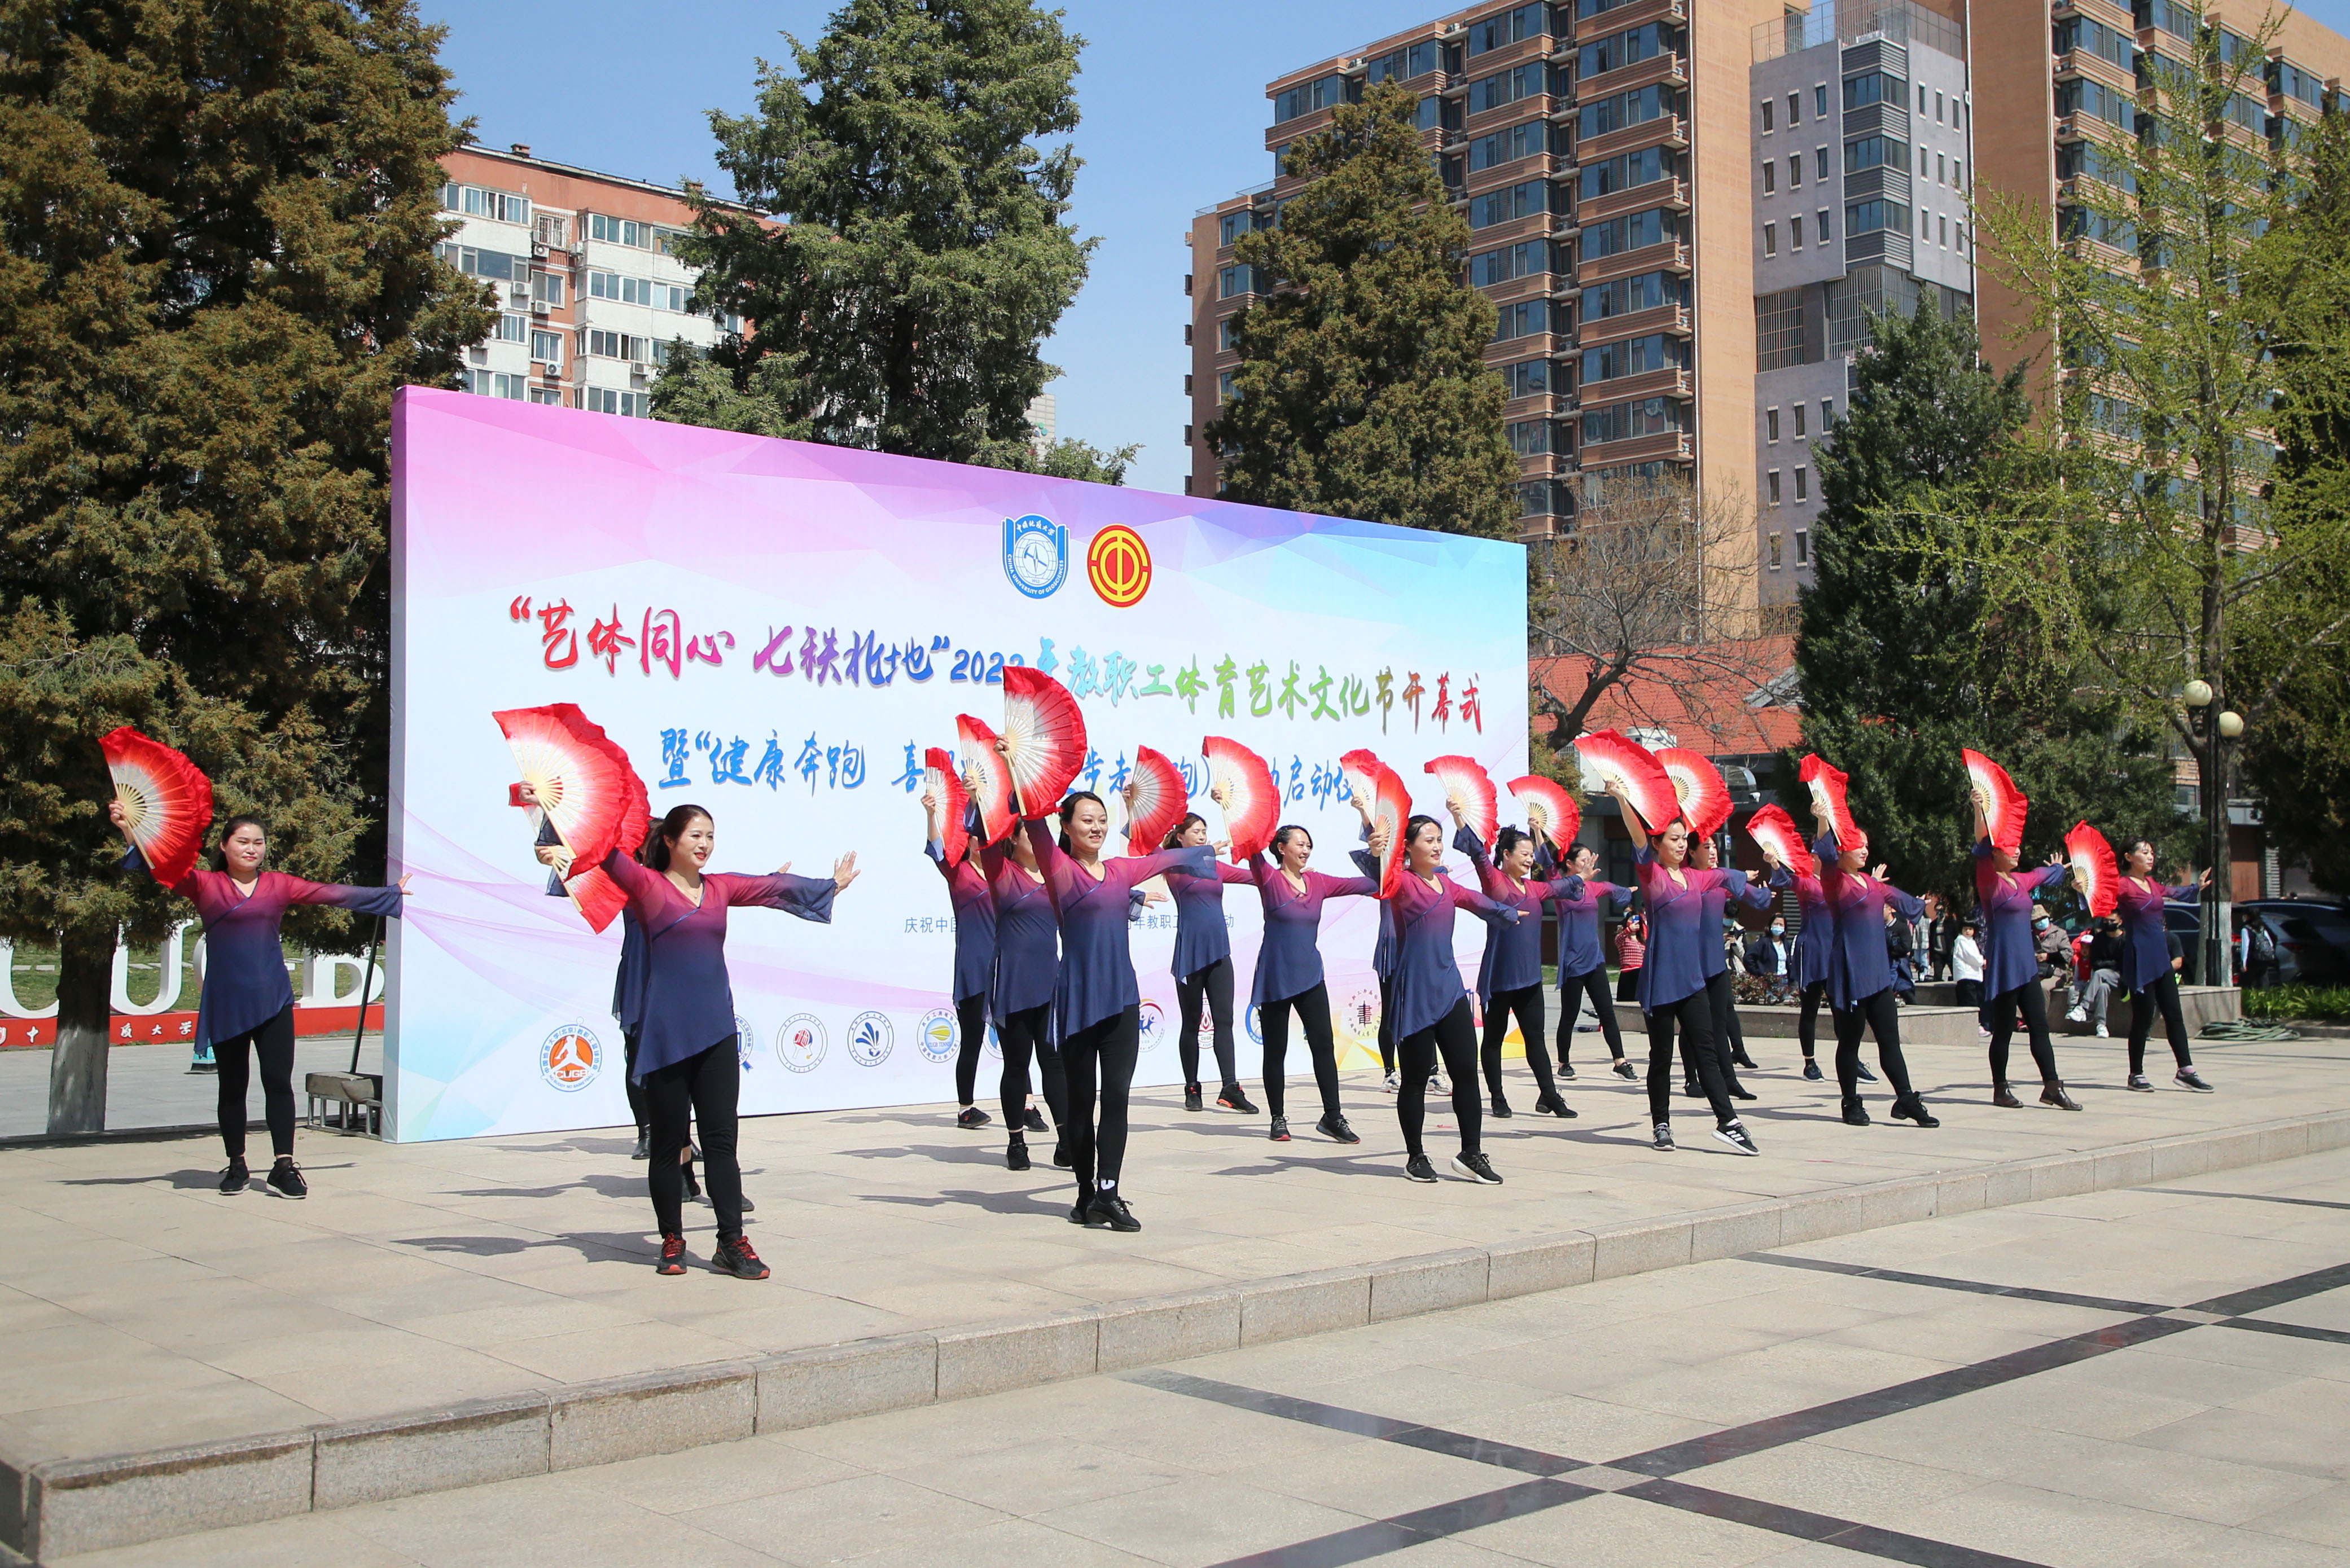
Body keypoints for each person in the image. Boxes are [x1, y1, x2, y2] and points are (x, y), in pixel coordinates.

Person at [600, 805, 854, 1277]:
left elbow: (771, 887)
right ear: (670, 841)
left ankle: (731, 1241)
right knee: (668, 1144)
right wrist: (549, 808)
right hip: (667, 1036)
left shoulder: (719, 888)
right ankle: (672, 1239)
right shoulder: (647, 886)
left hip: (716, 1032)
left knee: (721, 1142)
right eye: (695, 835)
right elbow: (599, 850)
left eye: (710, 836)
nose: (704, 844)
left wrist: (829, 886)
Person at [114, 805, 409, 1198]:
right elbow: (159, 867)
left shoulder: (278, 885)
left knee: (278, 1082)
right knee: (232, 1086)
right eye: (243, 841)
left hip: (273, 1000)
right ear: (224, 846)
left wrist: (389, 894)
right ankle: (236, 1165)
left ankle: (284, 1166)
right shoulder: (204, 884)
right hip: (227, 1001)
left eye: (258, 842)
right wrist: (129, 830)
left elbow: (331, 893)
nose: (252, 848)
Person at [1024, 787, 1215, 1232]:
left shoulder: (1121, 870)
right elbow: (1033, 822)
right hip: (1077, 1002)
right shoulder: (1059, 868)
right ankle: (1085, 1193)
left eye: (1101, 819)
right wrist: (1017, 775)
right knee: (1080, 1103)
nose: (1096, 827)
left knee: (1116, 1098)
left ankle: (1108, 1193)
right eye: (1086, 819)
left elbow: (1169, 859)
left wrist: (1205, 847)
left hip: (1122, 1001)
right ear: (1066, 826)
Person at [1614, 786, 1762, 1156]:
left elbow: (1723, 875)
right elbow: (1637, 839)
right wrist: (1622, 800)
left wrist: (1746, 876)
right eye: (1674, 839)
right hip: (1661, 981)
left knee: (1707, 1051)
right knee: (1661, 1056)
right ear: (1658, 843)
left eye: (1684, 839)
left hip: (1693, 981)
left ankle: (1728, 1122)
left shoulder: (1697, 879)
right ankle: (1661, 1124)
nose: (1681, 845)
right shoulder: (1653, 877)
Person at [1380, 815, 1521, 1183]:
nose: (1437, 846)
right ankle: (1415, 1156)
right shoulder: (1402, 882)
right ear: (1408, 847)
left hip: (1450, 991)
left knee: (1466, 1073)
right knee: (1414, 1080)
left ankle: (1471, 1153)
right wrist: (1377, 842)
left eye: (1439, 839)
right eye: (1428, 840)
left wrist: (1508, 912)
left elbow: (1478, 901)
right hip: (1415, 994)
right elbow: (1377, 870)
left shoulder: (1446, 884)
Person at [1246, 810, 1384, 1143]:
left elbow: (1369, 884)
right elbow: (1251, 848)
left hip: (1310, 976)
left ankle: (1333, 1116)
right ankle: (1278, 1118)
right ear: (1282, 848)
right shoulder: (1269, 879)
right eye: (1299, 844)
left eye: (1309, 845)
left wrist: (1376, 854)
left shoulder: (1318, 882)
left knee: (1323, 1045)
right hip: (1276, 977)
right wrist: (1234, 811)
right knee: (1275, 1050)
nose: (1306, 850)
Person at [1451, 811, 1574, 1120]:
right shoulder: (1496, 882)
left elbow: (1559, 887)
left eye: (1532, 855)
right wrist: (1458, 818)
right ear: (1506, 855)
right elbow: (1479, 854)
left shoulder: (1533, 888)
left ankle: (1549, 1095)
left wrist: (1580, 877)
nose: (1530, 860)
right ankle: (1497, 1097)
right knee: (1494, 1040)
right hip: (1500, 978)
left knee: (1536, 1039)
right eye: (1525, 854)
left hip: (1530, 979)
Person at [1808, 833, 1938, 1127]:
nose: (1866, 850)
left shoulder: (1873, 883)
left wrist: (1921, 903)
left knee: (1890, 1041)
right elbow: (1825, 853)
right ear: (1842, 850)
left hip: (1879, 975)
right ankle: (1851, 1103)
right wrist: (1823, 819)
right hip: (1850, 975)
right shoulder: (1835, 880)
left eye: (1867, 844)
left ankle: (1906, 1099)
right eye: (1859, 845)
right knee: (1850, 1043)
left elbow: (1907, 904)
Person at [1153, 800, 1258, 1115]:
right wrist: (1132, 808)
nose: (1202, 836)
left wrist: (1289, 875)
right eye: (1196, 832)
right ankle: (1192, 1087)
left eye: (1204, 832)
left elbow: (1256, 878)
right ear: (1180, 837)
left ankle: (1230, 1087)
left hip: (1219, 953)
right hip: (1190, 955)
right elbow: (1143, 844)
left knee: (1224, 1021)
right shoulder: (1173, 866)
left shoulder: (1215, 867)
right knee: (1191, 1023)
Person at [1974, 803, 2079, 1110]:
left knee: (2040, 1027)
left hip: (2027, 966)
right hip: (2005, 966)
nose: (2017, 851)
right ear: (1996, 853)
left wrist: (2058, 869)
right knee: (2003, 1032)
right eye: (2010, 847)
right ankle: (2000, 1089)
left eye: (2018, 847)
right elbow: (1981, 844)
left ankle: (2052, 1086)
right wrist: (1978, 810)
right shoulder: (1989, 881)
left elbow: (2043, 874)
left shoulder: (2020, 881)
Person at [980, 815, 1068, 1170]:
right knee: (1017, 1064)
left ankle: (1066, 1140)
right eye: (1028, 832)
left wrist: (1133, 896)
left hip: (1050, 982)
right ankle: (1016, 1142)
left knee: (1055, 1064)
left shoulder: (1056, 875)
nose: (1036, 837)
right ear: (1014, 839)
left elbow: (1093, 889)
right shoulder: (1002, 872)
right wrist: (980, 801)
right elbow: (985, 838)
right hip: (1014, 983)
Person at [2108, 838, 2213, 1092]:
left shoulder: (2152, 884)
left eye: (2152, 853)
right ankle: (2136, 1074)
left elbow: (2174, 892)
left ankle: (2186, 1070)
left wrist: (2196, 887)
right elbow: (2099, 899)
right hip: (2139, 958)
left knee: (2174, 1015)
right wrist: (2082, 890)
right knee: (2143, 1019)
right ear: (2129, 857)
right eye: (2145, 852)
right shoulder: (2122, 884)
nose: (2151, 857)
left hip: (2161, 958)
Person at [920, 790, 996, 1130]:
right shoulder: (958, 871)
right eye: (975, 836)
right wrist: (931, 815)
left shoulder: (1005, 873)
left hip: (1005, 966)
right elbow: (936, 849)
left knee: (1017, 1040)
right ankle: (966, 1108)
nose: (981, 842)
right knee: (973, 1039)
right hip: (973, 968)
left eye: (986, 836)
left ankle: (1026, 1104)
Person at [1541, 842, 1636, 1080]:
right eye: (1583, 860)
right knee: (1569, 1015)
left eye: (1589, 859)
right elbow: (1549, 867)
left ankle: (1620, 1062)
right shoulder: (1561, 889)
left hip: (1595, 960)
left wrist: (1626, 891)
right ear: (1569, 864)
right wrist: (1540, 834)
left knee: (1607, 1013)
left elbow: (1609, 888)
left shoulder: (1591, 888)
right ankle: (1563, 1064)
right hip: (1573, 963)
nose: (1588, 863)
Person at [1684, 834, 1769, 1097]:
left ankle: (1729, 1080)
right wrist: (1740, 875)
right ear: (1691, 851)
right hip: (1689, 963)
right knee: (1691, 1024)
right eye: (1706, 847)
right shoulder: (1684, 878)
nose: (1713, 851)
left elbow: (1760, 899)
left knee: (1719, 1022)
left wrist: (1773, 874)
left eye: (1714, 847)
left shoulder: (1720, 879)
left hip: (1715, 962)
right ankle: (1691, 1079)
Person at [2067, 916, 2126, 1038]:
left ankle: (2083, 1007)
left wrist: (2107, 964)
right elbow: (2095, 962)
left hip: (2121, 977)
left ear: (2120, 922)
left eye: (2112, 921)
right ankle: (2101, 1025)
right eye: (2106, 921)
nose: (2109, 923)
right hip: (2104, 978)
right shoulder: (2100, 939)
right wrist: (2110, 964)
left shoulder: (2125, 939)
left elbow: (2123, 964)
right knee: (2103, 988)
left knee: (2100, 974)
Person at [1884, 903, 1917, 1003]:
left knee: (1908, 994)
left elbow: (1906, 947)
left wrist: (1889, 950)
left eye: (1882, 909)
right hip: (1884, 967)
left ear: (1890, 910)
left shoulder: (1902, 927)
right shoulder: (1878, 928)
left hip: (1900, 967)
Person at [1953, 919, 1985, 1012]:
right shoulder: (1961, 941)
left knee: (1976, 1001)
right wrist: (1982, 961)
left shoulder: (1971, 941)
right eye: (1965, 929)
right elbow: (1970, 956)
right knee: (1970, 1002)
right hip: (1966, 976)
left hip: (1973, 976)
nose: (1968, 931)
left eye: (1970, 929)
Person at [1614, 913, 1647, 1003]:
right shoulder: (1624, 938)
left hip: (1641, 973)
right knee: (1627, 1000)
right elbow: (1618, 940)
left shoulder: (1641, 940)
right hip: (1628, 972)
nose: (1634, 922)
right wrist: (1628, 930)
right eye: (1631, 920)